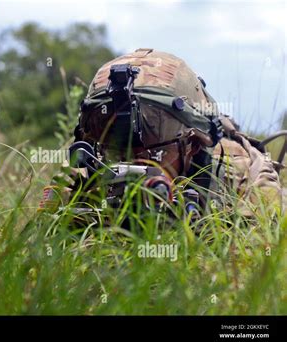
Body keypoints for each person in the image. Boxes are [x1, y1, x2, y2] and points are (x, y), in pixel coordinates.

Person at [40, 49, 284, 218]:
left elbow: (263, 257)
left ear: (193, 146)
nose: (131, 165)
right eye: (114, 150)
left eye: (153, 153)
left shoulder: (240, 174)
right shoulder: (83, 174)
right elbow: (37, 256)